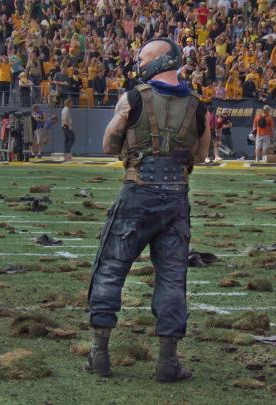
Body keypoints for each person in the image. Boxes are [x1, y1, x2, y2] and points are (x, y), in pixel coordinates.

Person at [86, 38, 210, 382]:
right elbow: (201, 155)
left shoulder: (133, 97)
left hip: (137, 192)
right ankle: (168, 363)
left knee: (111, 268)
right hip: (176, 197)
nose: (138, 63)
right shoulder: (198, 106)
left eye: (141, 58)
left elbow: (109, 144)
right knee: (172, 278)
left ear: (158, 61)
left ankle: (99, 355)